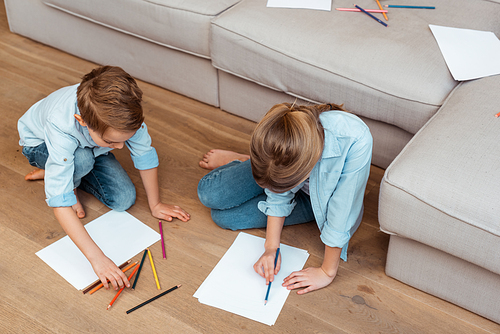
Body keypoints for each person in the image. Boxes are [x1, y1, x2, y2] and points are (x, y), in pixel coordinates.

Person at [18, 66, 190, 291]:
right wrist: (97, 259)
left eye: (124, 140)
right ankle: (60, 176)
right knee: (81, 161)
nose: (120, 147)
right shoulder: (60, 125)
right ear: (82, 121)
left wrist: (155, 204)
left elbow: (144, 155)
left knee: (123, 199)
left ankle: (60, 172)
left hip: (90, 147)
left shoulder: (123, 117)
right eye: (112, 142)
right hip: (40, 146)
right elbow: (59, 204)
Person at [198, 102, 372, 295]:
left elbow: (341, 211)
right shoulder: (281, 138)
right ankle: (250, 162)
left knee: (223, 218)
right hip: (278, 165)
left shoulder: (356, 138)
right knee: (209, 193)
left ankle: (262, 170)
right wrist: (271, 247)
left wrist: (327, 272)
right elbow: (277, 195)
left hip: (318, 201)